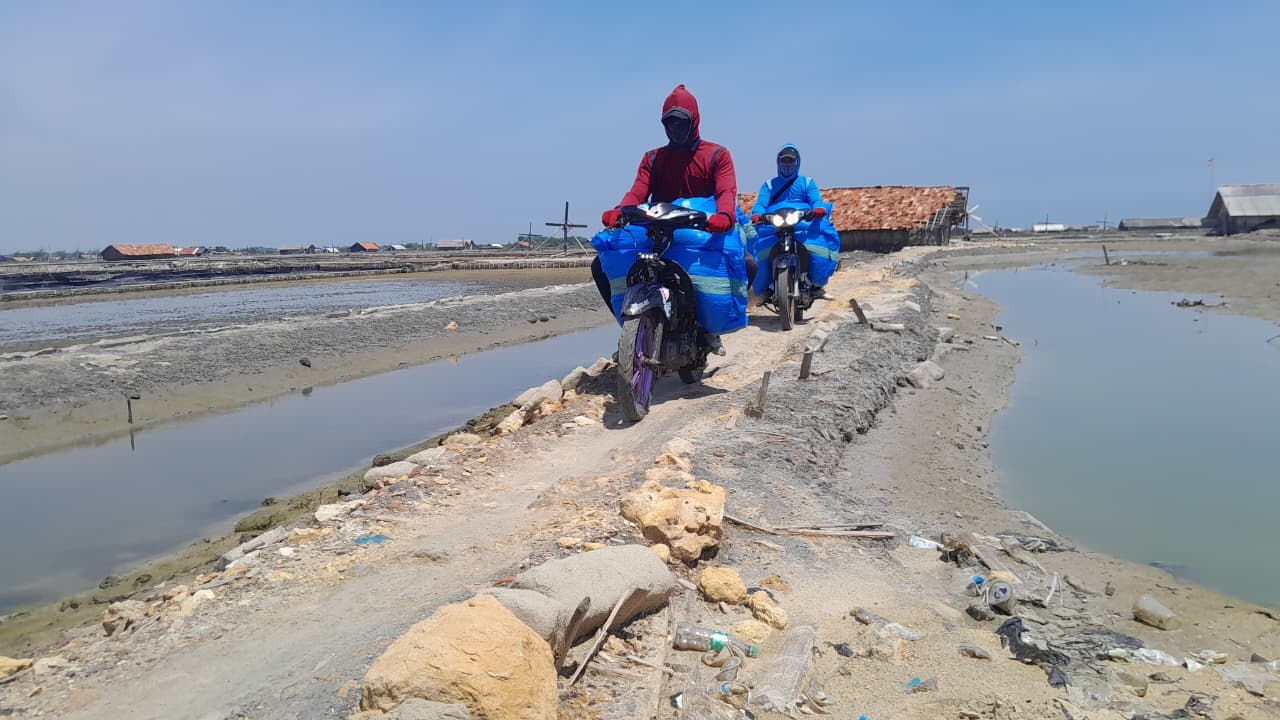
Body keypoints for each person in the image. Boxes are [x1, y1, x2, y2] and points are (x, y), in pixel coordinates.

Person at [592, 84, 742, 318]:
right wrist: (619, 211)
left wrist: (724, 216)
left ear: (694, 120)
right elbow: (637, 192)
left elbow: (726, 192)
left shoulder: (716, 155)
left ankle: (713, 325)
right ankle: (627, 328)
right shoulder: (652, 158)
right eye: (669, 123)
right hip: (657, 229)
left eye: (681, 122)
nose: (675, 128)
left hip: (698, 228)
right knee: (599, 266)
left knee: (748, 263)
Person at [750, 144, 828, 297]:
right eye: (784, 161)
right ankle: (767, 288)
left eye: (790, 161)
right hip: (776, 223)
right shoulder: (769, 185)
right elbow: (761, 203)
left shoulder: (807, 183)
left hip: (800, 222)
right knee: (757, 252)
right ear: (778, 163)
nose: (787, 164)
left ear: (797, 162)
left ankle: (815, 285)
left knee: (818, 248)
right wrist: (757, 214)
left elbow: (815, 200)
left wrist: (817, 209)